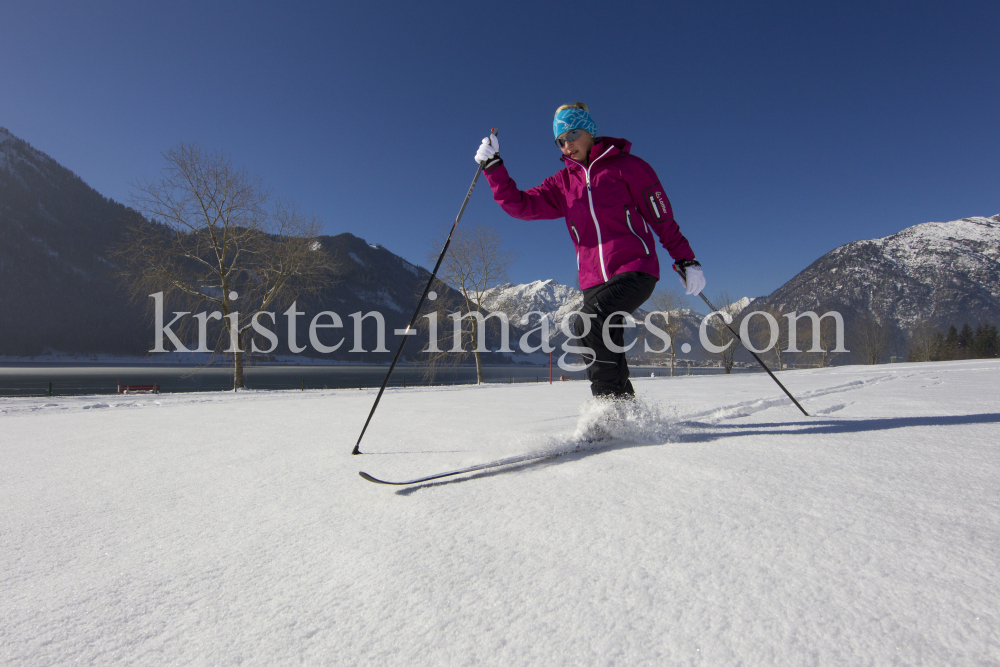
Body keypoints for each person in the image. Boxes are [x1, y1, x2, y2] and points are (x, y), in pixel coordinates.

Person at [474, 102, 705, 399]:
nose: (567, 145)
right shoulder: (562, 184)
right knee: (604, 339)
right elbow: (520, 205)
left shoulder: (629, 167)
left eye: (572, 134)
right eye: (561, 140)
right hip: (593, 280)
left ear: (590, 131)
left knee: (589, 322)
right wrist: (494, 168)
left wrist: (685, 259)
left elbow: (661, 218)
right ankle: (626, 410)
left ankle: (607, 409)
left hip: (635, 268)